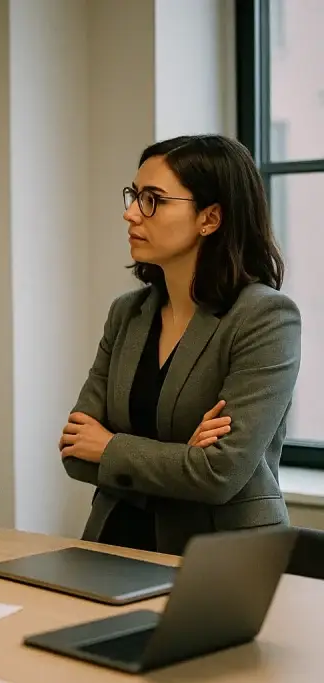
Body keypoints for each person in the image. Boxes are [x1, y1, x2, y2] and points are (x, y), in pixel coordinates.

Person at [60, 134, 300, 555]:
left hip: (220, 560)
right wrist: (181, 457)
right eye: (134, 195)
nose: (131, 213)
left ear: (210, 218)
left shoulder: (265, 317)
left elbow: (220, 473)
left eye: (152, 200)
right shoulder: (127, 313)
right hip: (113, 545)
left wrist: (111, 447)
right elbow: (76, 450)